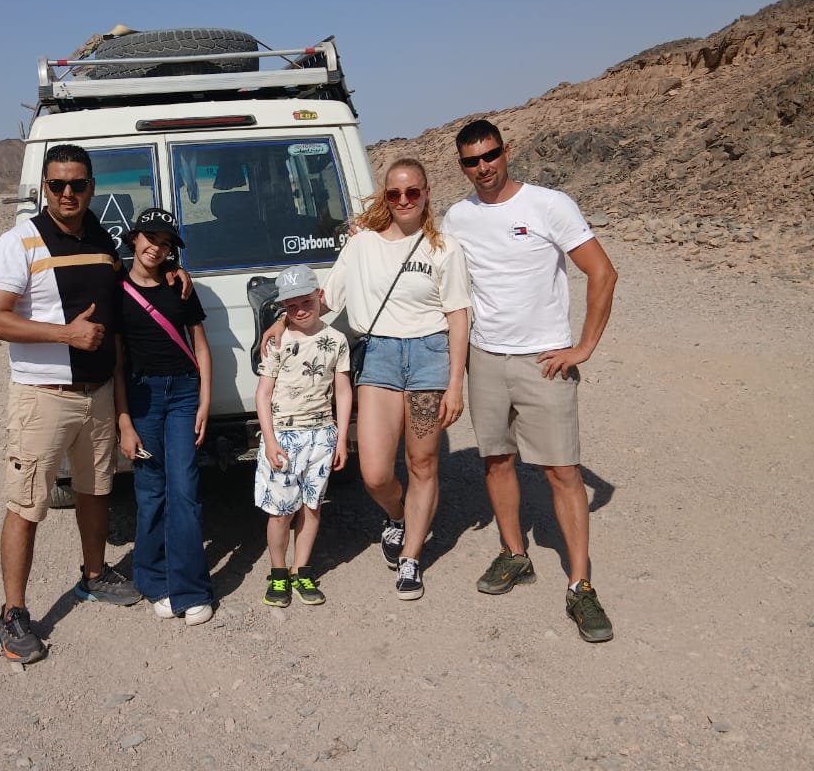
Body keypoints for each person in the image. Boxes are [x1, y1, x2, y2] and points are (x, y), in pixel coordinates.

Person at [441, 119, 619, 643]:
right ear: (462, 166)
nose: (483, 167)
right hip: (486, 359)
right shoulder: (458, 217)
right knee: (496, 459)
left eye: (490, 155)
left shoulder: (549, 205)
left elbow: (602, 273)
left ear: (506, 151)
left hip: (545, 361)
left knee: (563, 472)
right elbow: (426, 262)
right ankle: (515, 554)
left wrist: (583, 347)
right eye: (471, 161)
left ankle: (580, 585)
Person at [264, 157, 470, 599]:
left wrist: (456, 382)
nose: (403, 201)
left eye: (412, 192)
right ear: (385, 197)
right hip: (379, 353)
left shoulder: (444, 249)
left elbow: (457, 316)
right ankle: (397, 516)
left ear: (427, 193)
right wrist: (284, 319)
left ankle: (412, 557)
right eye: (394, 194)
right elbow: (323, 298)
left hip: (430, 353)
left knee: (422, 463)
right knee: (376, 472)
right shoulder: (361, 245)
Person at [0, 143, 142, 665]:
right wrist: (65, 336)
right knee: (27, 504)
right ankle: (13, 612)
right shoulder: (19, 241)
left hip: (96, 395)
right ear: (43, 188)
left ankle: (93, 576)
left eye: (77, 184)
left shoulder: (103, 239)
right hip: (42, 397)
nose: (68, 193)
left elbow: (128, 295)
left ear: (93, 186)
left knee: (97, 491)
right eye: (57, 185)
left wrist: (175, 275)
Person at [114, 207, 216, 626]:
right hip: (142, 396)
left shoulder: (180, 288)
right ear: (134, 239)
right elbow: (117, 363)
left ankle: (191, 588)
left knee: (185, 490)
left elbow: (202, 348)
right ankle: (154, 581)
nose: (156, 247)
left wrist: (205, 401)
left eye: (166, 242)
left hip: (183, 394)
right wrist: (123, 420)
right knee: (151, 490)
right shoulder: (116, 290)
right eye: (150, 238)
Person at [254, 263, 352, 608]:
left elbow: (342, 390)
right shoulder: (278, 341)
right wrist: (268, 440)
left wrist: (341, 439)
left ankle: (302, 569)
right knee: (280, 512)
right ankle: (278, 573)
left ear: (319, 297)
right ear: (284, 308)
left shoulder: (336, 340)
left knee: (312, 508)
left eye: (306, 302)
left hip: (322, 435)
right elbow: (263, 394)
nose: (299, 311)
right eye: (291, 306)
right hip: (284, 436)